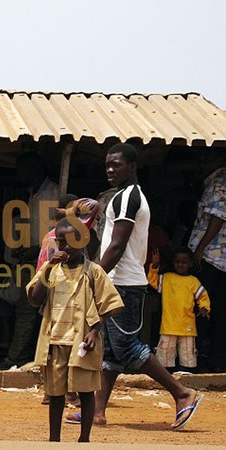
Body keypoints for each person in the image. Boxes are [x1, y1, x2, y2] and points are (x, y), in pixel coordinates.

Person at [91, 143, 202, 431]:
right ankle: (97, 413)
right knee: (112, 353)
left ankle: (182, 393)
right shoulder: (123, 196)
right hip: (119, 282)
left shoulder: (128, 198)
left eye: (116, 164)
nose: (110, 170)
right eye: (107, 165)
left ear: (132, 166)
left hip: (124, 284)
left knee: (127, 348)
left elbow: (117, 246)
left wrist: (93, 277)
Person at [27, 218, 124, 442]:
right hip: (55, 342)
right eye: (60, 242)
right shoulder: (51, 270)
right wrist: (49, 266)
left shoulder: (93, 271)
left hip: (82, 344)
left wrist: (94, 331)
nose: (65, 247)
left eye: (70, 241)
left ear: (83, 241)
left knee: (86, 391)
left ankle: (84, 439)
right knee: (55, 393)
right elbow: (34, 298)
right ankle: (54, 440)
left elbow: (108, 305)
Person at [0, 151, 60, 368]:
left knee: (28, 308)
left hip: (47, 261)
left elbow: (54, 232)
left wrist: (35, 250)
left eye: (22, 169)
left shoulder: (52, 193)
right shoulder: (33, 194)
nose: (19, 174)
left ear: (34, 169)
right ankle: (22, 357)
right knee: (27, 308)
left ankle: (15, 358)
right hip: (34, 259)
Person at [187, 161, 225, 372]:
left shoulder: (218, 181)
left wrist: (200, 249)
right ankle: (217, 361)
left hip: (211, 257)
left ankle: (197, 359)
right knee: (220, 311)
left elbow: (218, 217)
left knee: (202, 308)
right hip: (221, 260)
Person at [148, 247, 210, 371]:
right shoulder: (167, 278)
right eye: (177, 262)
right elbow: (152, 281)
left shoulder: (193, 281)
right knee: (165, 355)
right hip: (168, 325)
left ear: (190, 264)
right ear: (173, 262)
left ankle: (186, 377)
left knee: (187, 355)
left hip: (187, 325)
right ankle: (166, 379)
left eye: (184, 262)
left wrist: (204, 307)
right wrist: (154, 265)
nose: (180, 265)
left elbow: (203, 296)